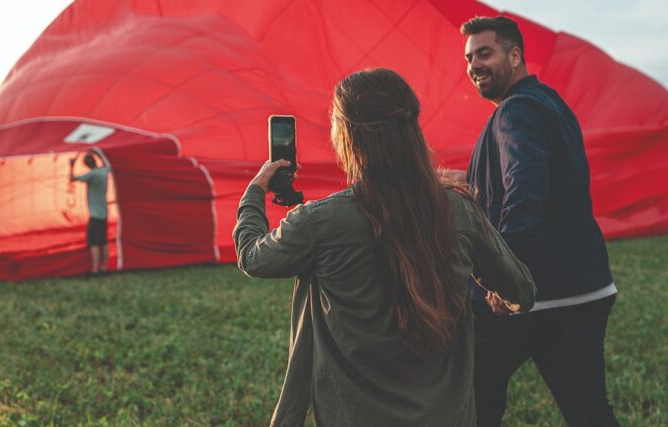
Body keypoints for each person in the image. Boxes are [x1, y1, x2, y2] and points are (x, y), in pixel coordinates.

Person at [234, 68, 535, 426]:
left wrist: (255, 192)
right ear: (411, 128)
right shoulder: (459, 210)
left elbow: (253, 256)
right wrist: (500, 294)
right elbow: (522, 291)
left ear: (346, 134)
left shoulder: (318, 222)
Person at [461, 16, 620, 426]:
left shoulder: (517, 111)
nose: (474, 64)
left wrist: (503, 274)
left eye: (485, 53)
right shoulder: (548, 103)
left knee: (473, 402)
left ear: (515, 56)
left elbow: (525, 189)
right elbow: (540, 180)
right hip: (583, 290)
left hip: (529, 298)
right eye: (468, 57)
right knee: (589, 412)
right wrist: (465, 181)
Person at [69, 150, 110, 275]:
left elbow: (72, 178)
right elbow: (105, 163)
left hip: (95, 215)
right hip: (104, 213)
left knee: (94, 242)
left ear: (86, 164)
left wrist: (71, 165)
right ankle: (104, 267)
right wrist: (97, 152)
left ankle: (95, 269)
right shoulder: (104, 171)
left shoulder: (91, 175)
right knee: (103, 241)